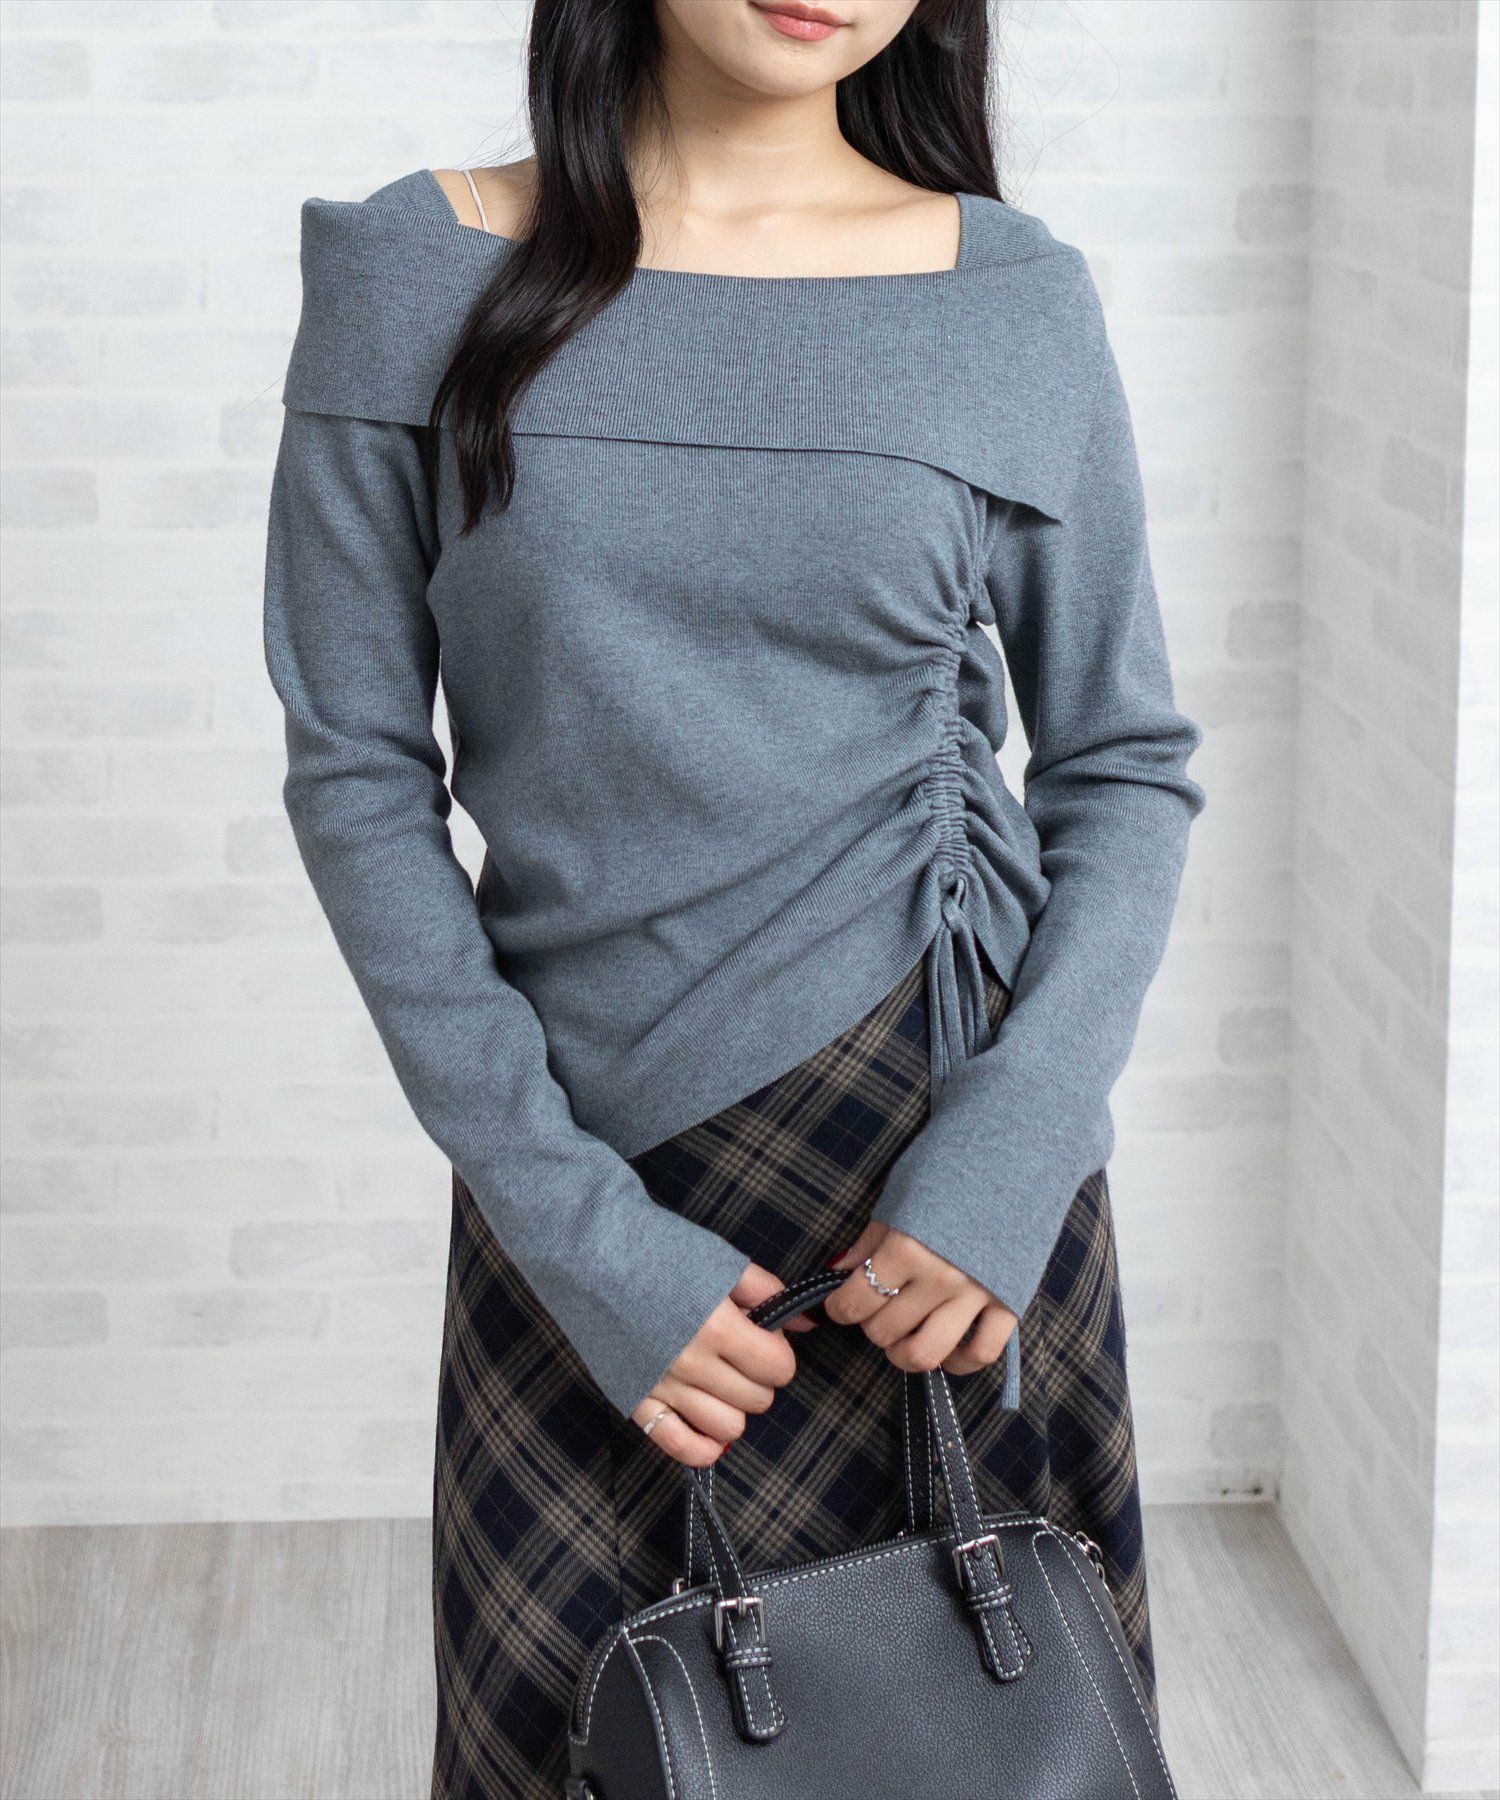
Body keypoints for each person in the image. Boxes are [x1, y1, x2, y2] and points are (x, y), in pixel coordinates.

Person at [262, 1, 1207, 1793]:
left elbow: (1124, 762)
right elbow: (357, 777)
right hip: (584, 1184)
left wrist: (1013, 1156)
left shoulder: (1006, 297)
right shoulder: (418, 271)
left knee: (1000, 1742)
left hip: (947, 1182)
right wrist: (580, 1239)